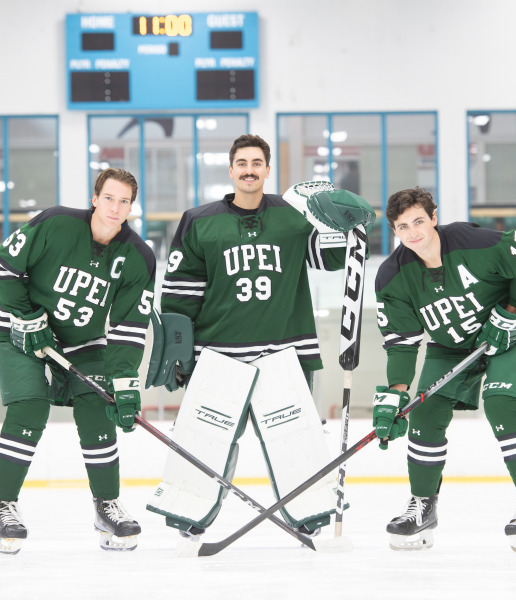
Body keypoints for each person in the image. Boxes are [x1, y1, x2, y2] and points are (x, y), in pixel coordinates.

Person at [145, 134, 374, 541]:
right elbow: (181, 290)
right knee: (207, 440)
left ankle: (309, 511)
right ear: (231, 169)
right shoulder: (199, 220)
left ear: (268, 169)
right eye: (241, 163)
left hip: (285, 350)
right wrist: (179, 349)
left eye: (257, 162)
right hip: (218, 355)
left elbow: (328, 259)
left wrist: (347, 228)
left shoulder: (296, 215)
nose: (249, 169)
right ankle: (192, 513)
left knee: (296, 438)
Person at [371, 186, 516, 552]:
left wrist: (513, 310)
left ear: (434, 218)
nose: (413, 232)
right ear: (395, 231)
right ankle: (422, 505)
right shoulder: (393, 275)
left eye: (419, 221)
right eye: (403, 226)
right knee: (424, 412)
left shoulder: (475, 242)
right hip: (453, 346)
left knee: (502, 404)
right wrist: (396, 393)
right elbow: (402, 342)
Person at [0, 168, 156, 554]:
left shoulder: (139, 257)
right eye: (109, 198)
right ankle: (3, 506)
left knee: (99, 404)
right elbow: (1, 268)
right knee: (29, 408)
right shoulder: (56, 223)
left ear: (132, 207)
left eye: (124, 201)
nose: (115, 208)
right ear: (95, 198)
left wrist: (125, 382)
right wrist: (26, 315)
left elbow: (130, 328)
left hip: (82, 343)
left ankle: (106, 505)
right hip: (20, 330)